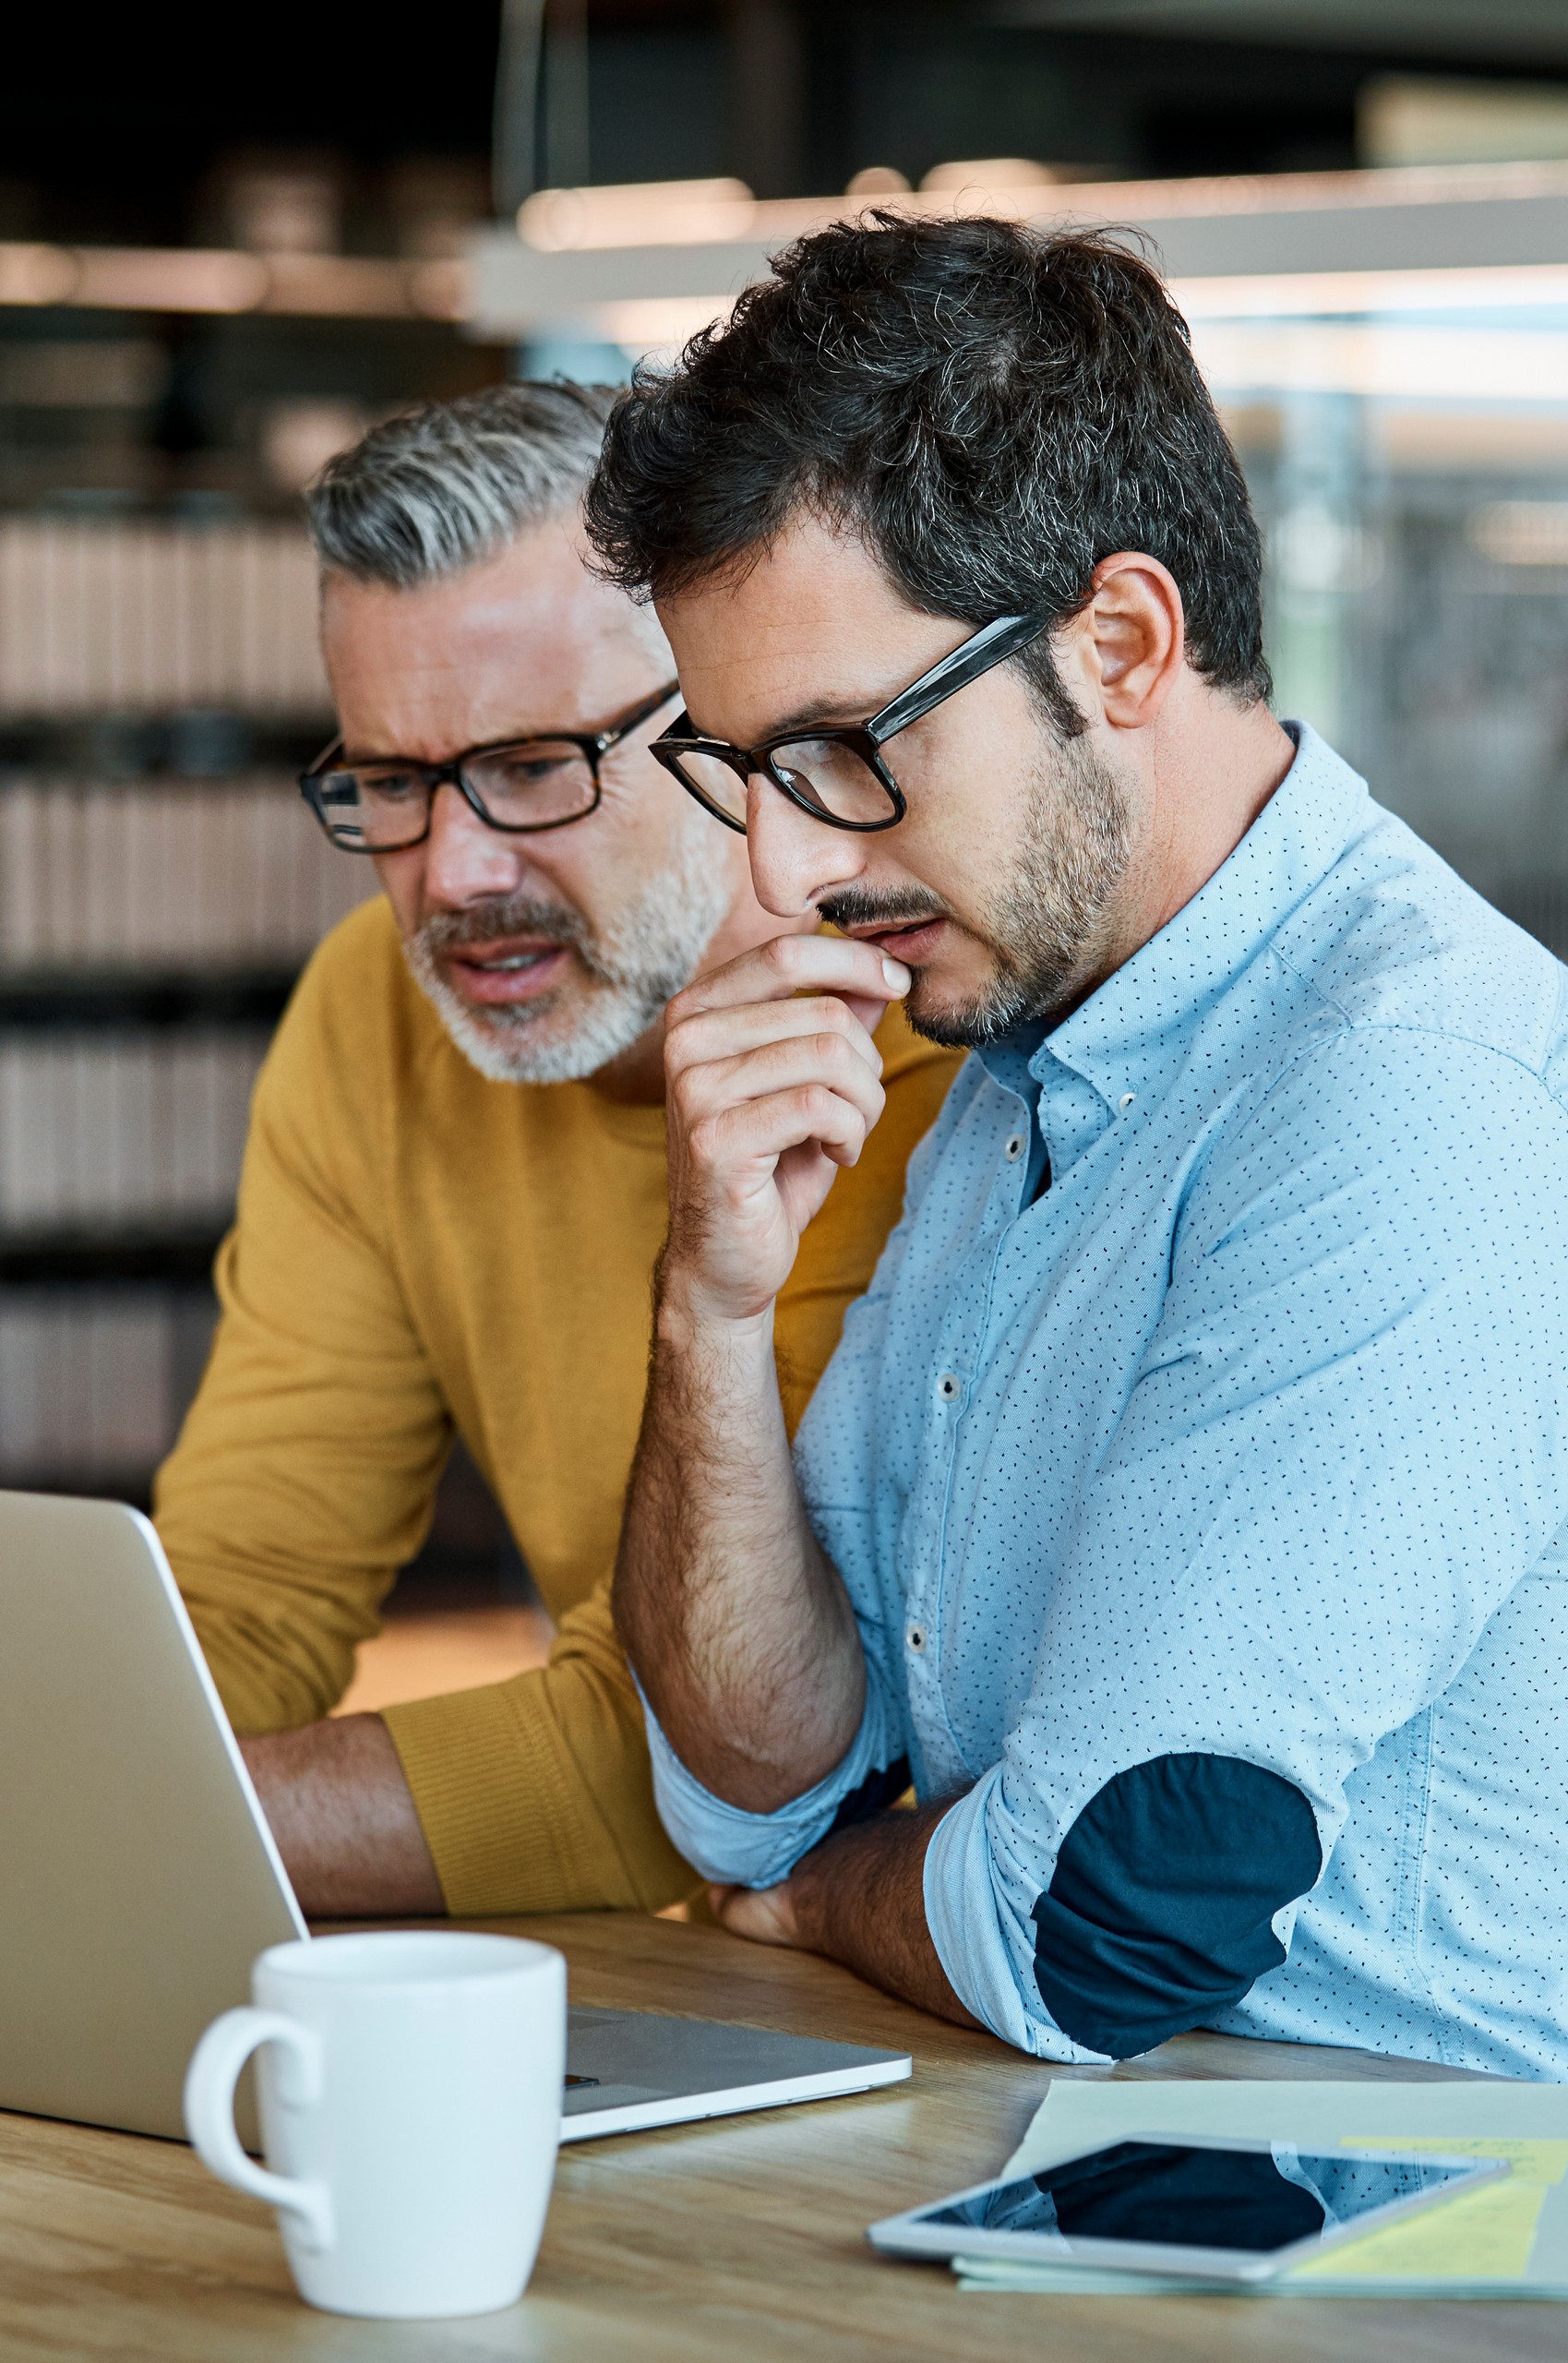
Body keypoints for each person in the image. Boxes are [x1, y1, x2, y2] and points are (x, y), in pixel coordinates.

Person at [592, 217, 1568, 2081]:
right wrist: (708, 1307)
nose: (785, 874)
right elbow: (756, 1786)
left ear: (1121, 641)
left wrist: (832, 1901)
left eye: (847, 750)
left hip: (1420, 2258)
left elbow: (1101, 1923)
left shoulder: (1413, 1096)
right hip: (1078, 2202)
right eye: (744, 775)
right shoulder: (1015, 1070)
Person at [150, 383, 958, 1920]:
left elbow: (698, 1758)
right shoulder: (370, 1020)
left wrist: (130, 1822)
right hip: (705, 1986)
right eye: (391, 783)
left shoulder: (914, 1047)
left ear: (723, 724)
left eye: (534, 769)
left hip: (982, 2019)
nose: (453, 873)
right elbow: (245, 1598)